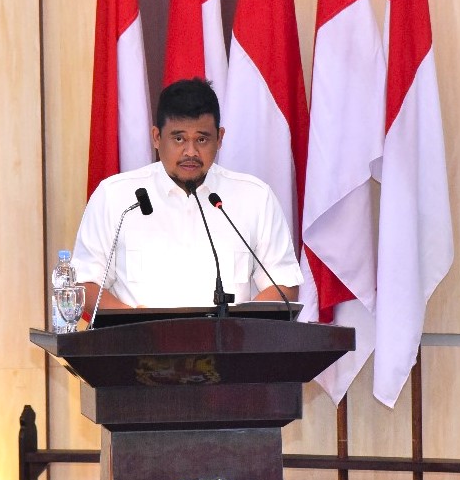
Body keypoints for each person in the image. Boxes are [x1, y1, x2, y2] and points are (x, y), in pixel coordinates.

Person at [72, 77, 304, 314]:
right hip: (138, 338)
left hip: (227, 338)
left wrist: (234, 326)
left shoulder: (254, 197)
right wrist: (136, 323)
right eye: (179, 139)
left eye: (202, 139)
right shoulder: (115, 197)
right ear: (156, 137)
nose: (191, 152)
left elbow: (283, 285)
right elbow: (84, 284)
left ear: (220, 138)